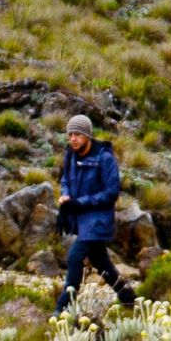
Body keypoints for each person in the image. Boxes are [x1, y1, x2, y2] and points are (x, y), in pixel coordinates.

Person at [54, 113, 128, 313]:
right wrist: (66, 196)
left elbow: (111, 192)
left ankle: (62, 307)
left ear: (87, 135)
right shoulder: (71, 154)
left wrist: (80, 202)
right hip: (80, 218)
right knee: (100, 262)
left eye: (77, 134)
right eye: (70, 135)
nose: (73, 139)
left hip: (98, 220)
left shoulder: (104, 158)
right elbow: (65, 180)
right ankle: (128, 297)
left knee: (74, 258)